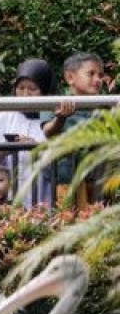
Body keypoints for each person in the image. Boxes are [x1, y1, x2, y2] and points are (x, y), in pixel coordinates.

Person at [0, 58, 54, 207]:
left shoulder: (53, 118)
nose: (25, 95)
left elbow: (59, 166)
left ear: (45, 91)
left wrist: (35, 149)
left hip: (43, 195)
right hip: (8, 199)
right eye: (20, 88)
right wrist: (6, 149)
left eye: (32, 89)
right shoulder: (5, 116)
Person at [45, 52, 106, 204]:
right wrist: (60, 117)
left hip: (98, 180)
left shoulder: (106, 105)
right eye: (91, 74)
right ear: (70, 77)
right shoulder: (54, 102)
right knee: (68, 223)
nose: (98, 80)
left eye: (100, 75)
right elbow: (48, 132)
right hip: (66, 181)